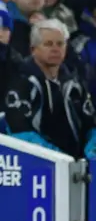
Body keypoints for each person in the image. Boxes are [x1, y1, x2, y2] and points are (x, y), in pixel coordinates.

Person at [6, 19, 96, 159]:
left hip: (79, 164)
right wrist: (57, 157)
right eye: (48, 44)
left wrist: (92, 149)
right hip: (40, 163)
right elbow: (19, 131)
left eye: (60, 44)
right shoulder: (22, 82)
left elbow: (91, 123)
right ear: (33, 49)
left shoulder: (74, 82)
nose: (55, 49)